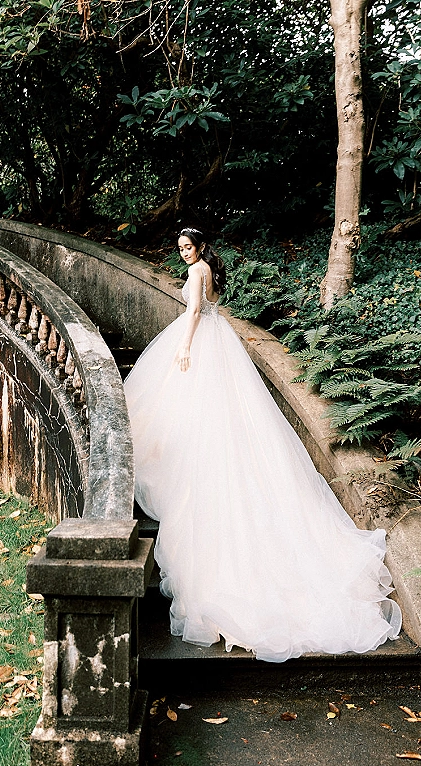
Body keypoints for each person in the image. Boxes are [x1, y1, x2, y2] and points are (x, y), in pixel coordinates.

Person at [123, 227, 402, 663]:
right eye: (179, 248)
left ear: (199, 249)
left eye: (188, 247)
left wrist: (182, 348)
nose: (183, 254)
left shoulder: (197, 273)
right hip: (221, 344)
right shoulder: (209, 269)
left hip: (199, 341)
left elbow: (194, 312)